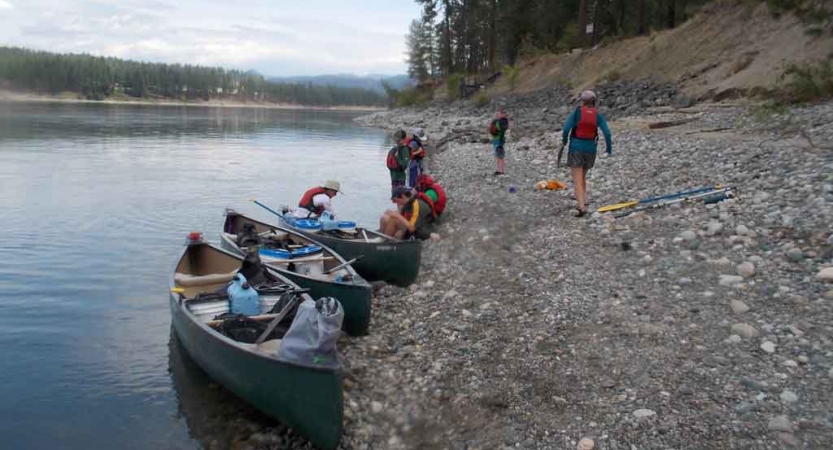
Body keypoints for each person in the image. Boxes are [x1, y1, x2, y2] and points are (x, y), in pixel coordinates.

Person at [561, 90, 612, 217]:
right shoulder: (597, 115)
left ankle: (582, 206)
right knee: (583, 175)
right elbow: (607, 133)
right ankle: (584, 198)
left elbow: (566, 128)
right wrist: (608, 149)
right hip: (590, 150)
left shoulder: (577, 113)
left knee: (577, 179)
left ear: (582, 101)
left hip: (576, 148)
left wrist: (564, 140)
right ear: (594, 102)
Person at [488, 108, 510, 175]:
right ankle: (499, 170)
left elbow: (502, 132)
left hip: (499, 140)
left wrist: (501, 141)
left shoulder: (501, 122)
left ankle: (501, 171)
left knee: (500, 156)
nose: (497, 114)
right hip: (496, 140)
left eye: (499, 113)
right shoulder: (500, 121)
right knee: (498, 155)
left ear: (502, 114)